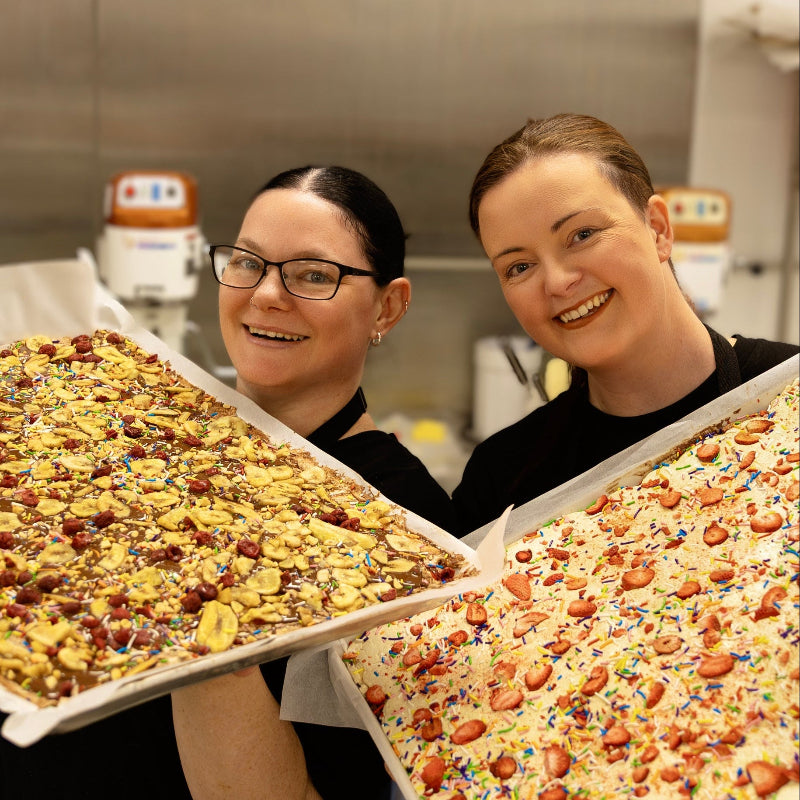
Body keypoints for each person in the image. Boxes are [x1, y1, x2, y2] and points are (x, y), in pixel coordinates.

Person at [171, 165, 457, 800]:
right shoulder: (164, 448)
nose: (268, 295)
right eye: (248, 262)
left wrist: (192, 603)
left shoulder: (406, 529)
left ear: (389, 305)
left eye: (312, 275)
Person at [452, 113, 799, 536]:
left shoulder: (787, 395)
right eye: (519, 266)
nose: (559, 283)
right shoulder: (501, 478)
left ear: (657, 229)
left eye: (582, 234)